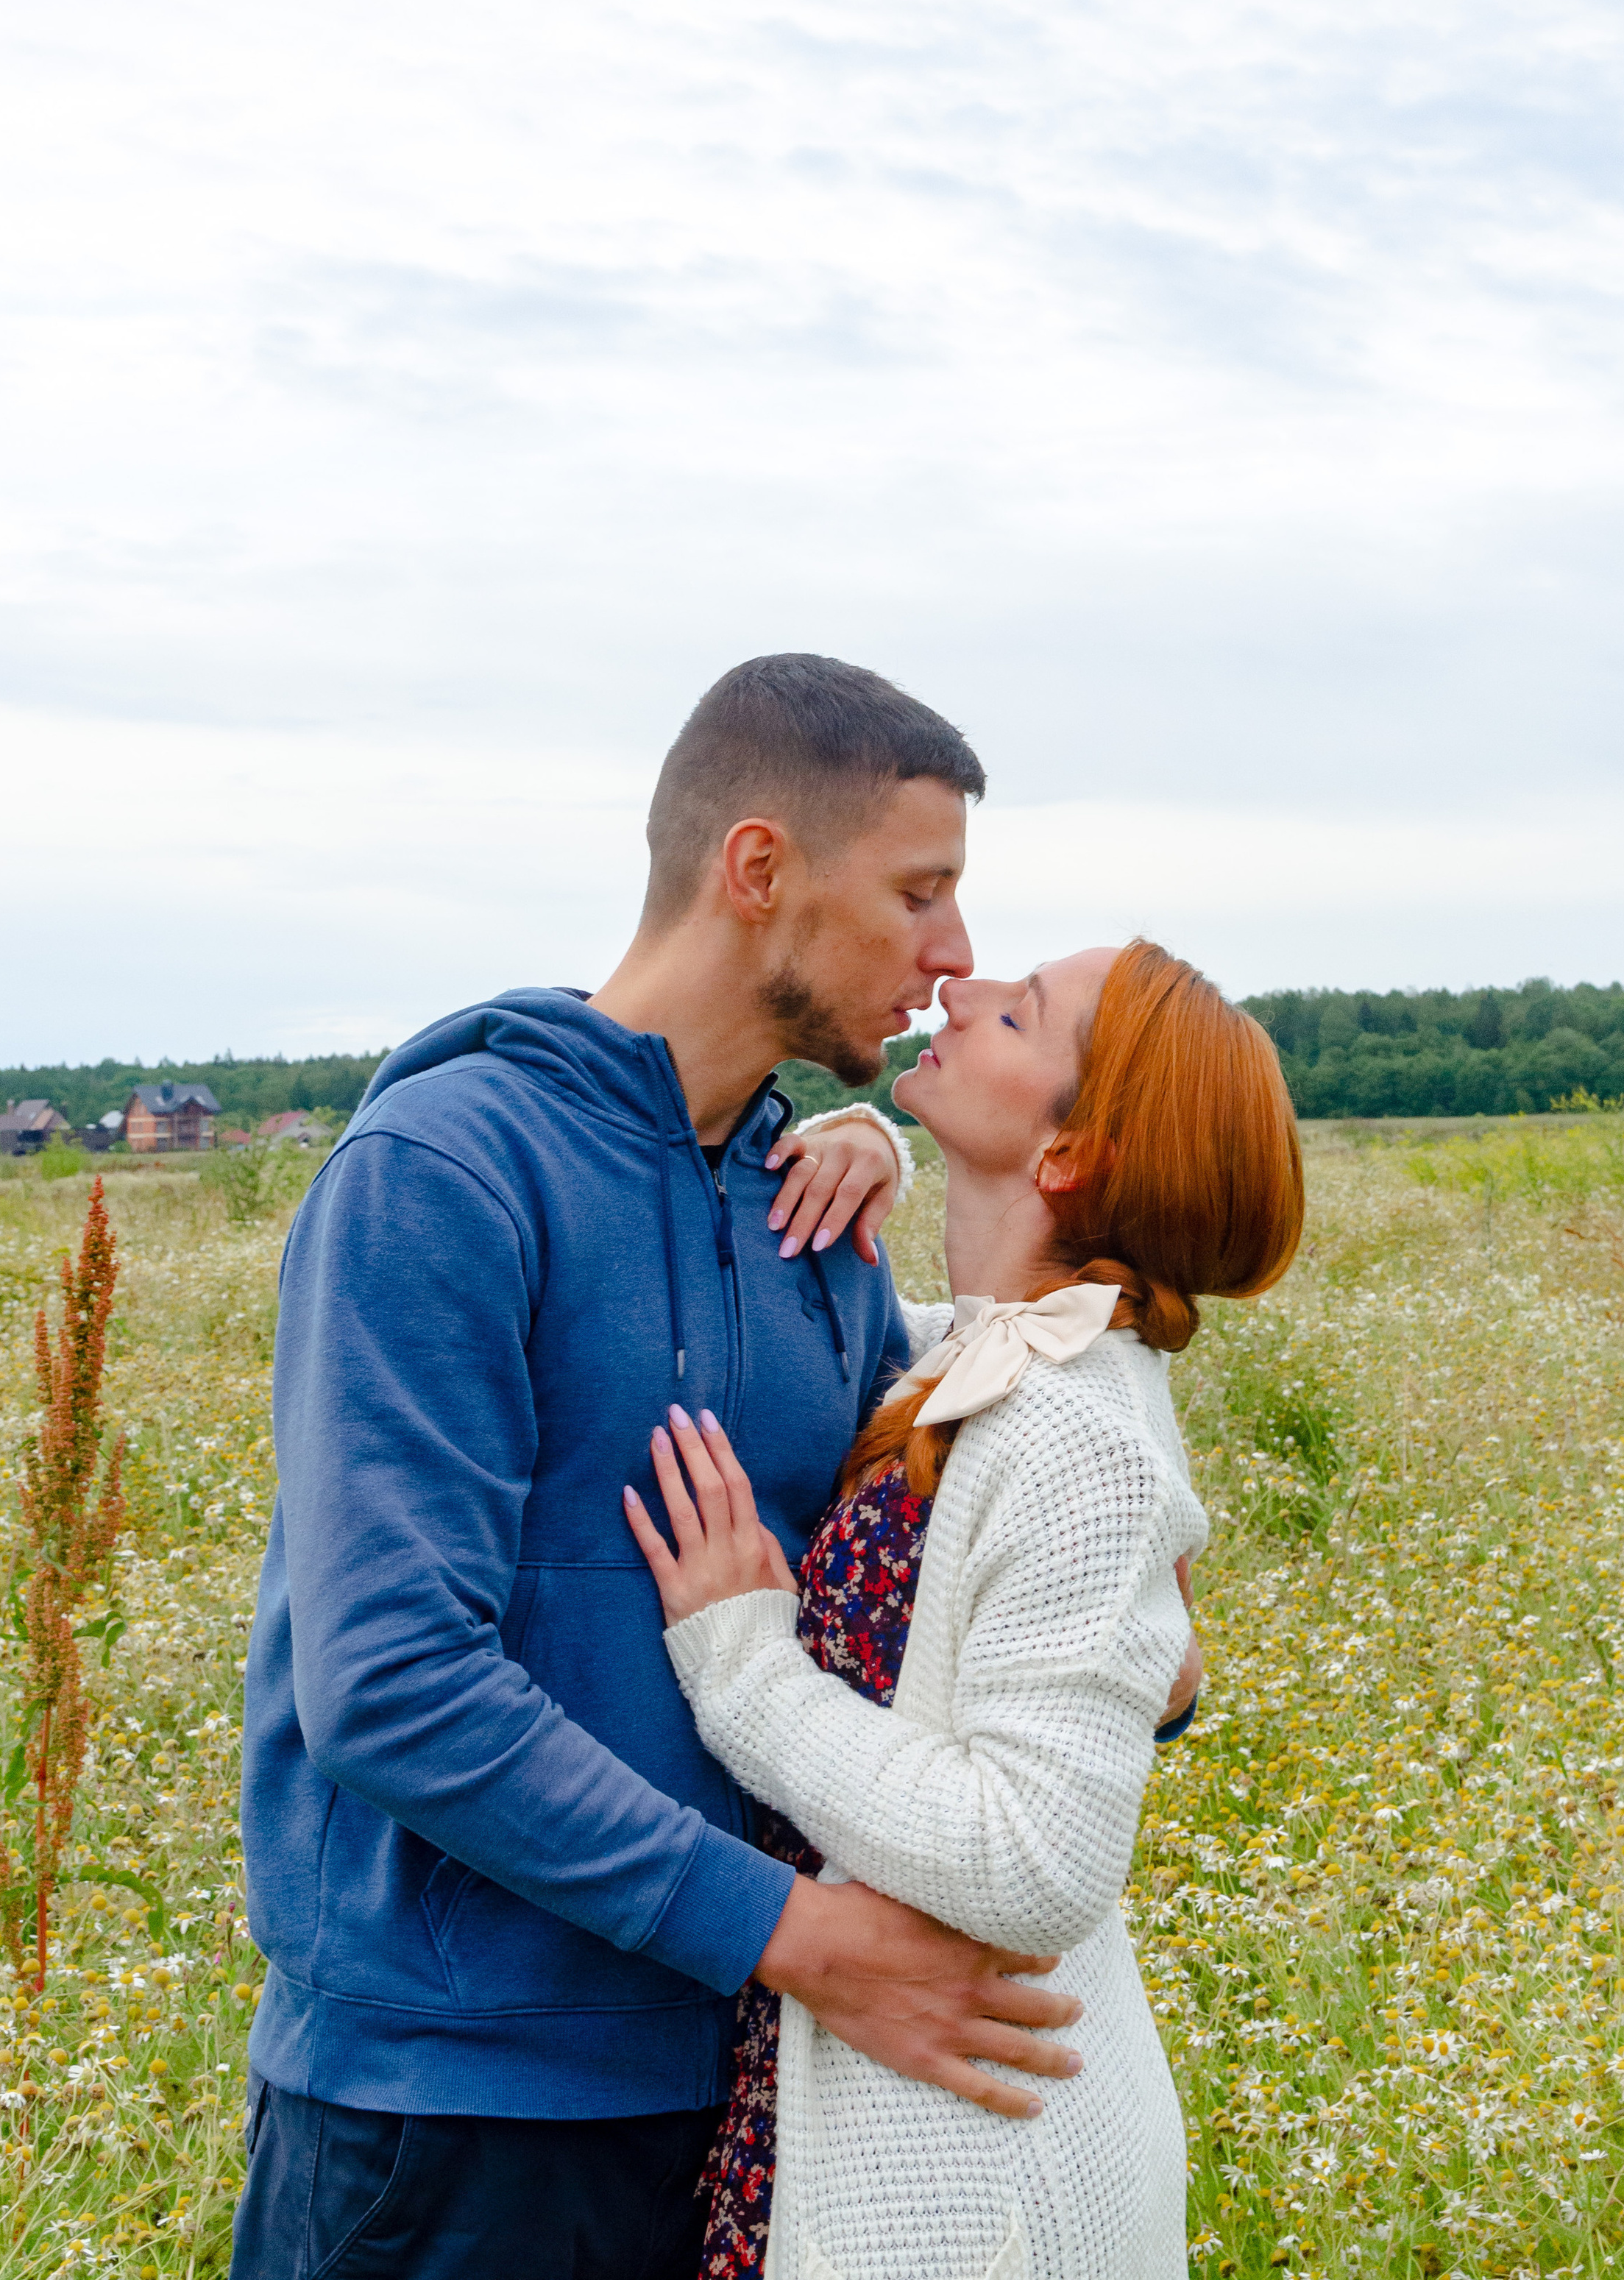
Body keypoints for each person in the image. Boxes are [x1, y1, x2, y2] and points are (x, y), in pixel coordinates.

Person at [230, 656, 1094, 2280]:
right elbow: (391, 1685)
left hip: (750, 2102)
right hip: (445, 2114)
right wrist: (794, 1934)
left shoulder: (816, 1218)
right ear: (758, 868)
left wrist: (1133, 1642)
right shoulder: (443, 1171)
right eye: (918, 890)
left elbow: (901, 1587)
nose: (953, 951)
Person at [626, 938, 1305, 2280]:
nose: (959, 990)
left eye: (1017, 1015)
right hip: (880, 2104)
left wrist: (745, 1668)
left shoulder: (1081, 1438)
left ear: (1069, 1154)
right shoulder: (992, 1356)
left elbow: (1034, 1862)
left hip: (979, 2185)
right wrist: (862, 1151)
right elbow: (892, 1344)